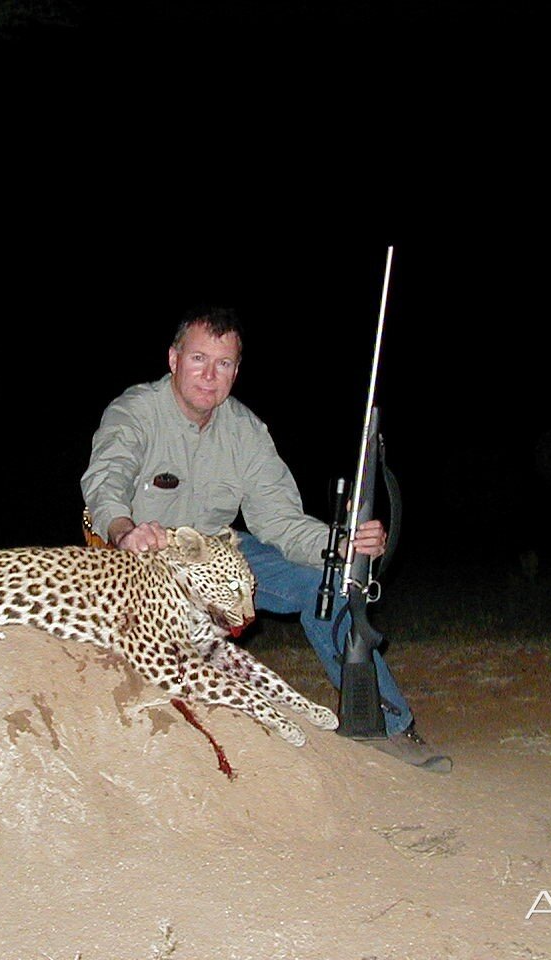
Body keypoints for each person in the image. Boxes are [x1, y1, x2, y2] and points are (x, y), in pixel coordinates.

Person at [81, 306, 451, 772]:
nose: (210, 375)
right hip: (139, 557)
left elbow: (278, 521)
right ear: (174, 359)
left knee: (330, 584)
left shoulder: (246, 431)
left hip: (217, 554)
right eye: (199, 359)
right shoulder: (134, 410)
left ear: (236, 371)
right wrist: (124, 530)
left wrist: (339, 545)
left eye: (224, 364)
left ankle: (386, 725)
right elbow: (105, 480)